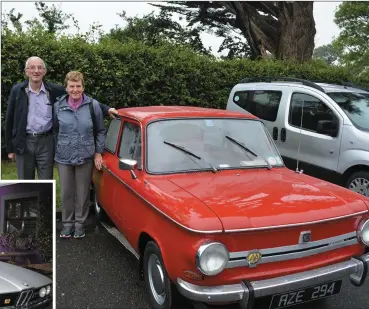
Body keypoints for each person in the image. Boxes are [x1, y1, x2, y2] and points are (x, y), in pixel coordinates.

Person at [4, 56, 117, 180]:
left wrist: (106, 109)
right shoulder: (17, 90)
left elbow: (81, 98)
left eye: (39, 67)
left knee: (46, 180)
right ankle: (26, 200)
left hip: (46, 142)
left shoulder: (54, 90)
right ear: (26, 71)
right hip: (24, 141)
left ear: (44, 71)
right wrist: (10, 148)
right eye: (32, 67)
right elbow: (9, 120)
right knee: (25, 181)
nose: (36, 71)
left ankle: (44, 200)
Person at [54, 71, 106, 239]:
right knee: (67, 192)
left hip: (85, 155)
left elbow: (100, 130)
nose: (75, 89)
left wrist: (98, 152)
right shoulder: (58, 106)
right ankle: (67, 224)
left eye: (78, 86)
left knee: (83, 192)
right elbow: (55, 130)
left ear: (83, 87)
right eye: (71, 86)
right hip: (64, 156)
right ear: (66, 87)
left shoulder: (93, 106)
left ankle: (79, 224)